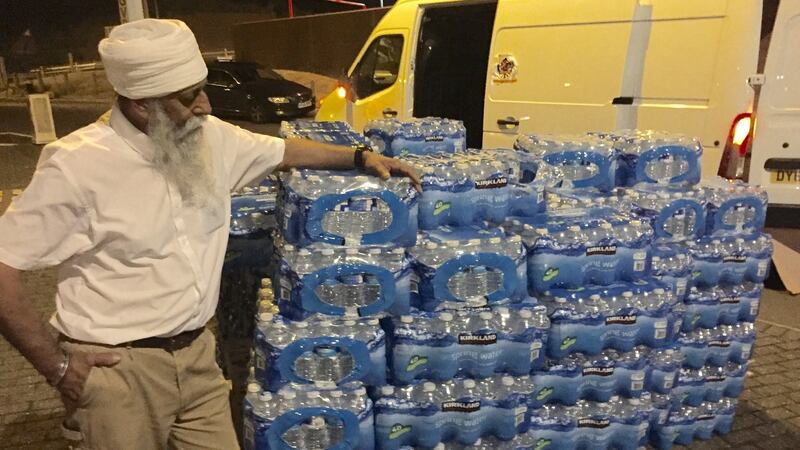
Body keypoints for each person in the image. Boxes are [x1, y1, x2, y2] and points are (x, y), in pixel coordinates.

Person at [0, 19, 419, 449]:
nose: (205, 105)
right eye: (188, 97)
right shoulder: (76, 167)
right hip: (119, 373)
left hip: (199, 358)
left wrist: (358, 156)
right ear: (142, 104)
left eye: (202, 88)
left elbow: (282, 151)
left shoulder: (208, 138)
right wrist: (58, 369)